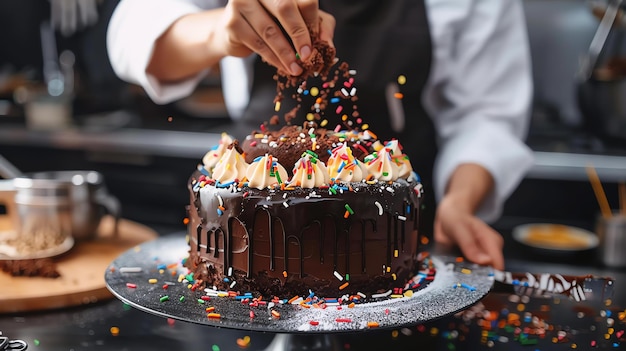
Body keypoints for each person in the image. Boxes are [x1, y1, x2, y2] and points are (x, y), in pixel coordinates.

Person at [106, 0, 534, 271]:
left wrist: (461, 202)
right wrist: (220, 31)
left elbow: (488, 114)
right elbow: (133, 33)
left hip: (394, 231)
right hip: (254, 179)